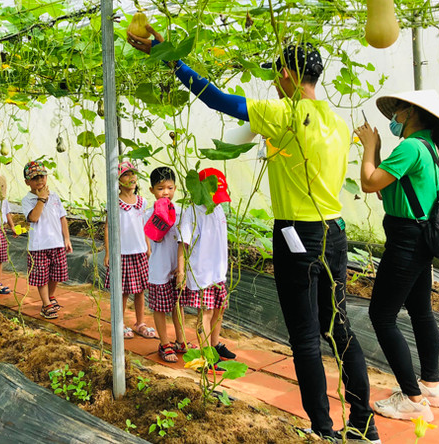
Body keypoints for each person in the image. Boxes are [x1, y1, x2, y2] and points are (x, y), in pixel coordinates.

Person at [127, 30, 379, 442]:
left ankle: (322, 429)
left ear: (286, 73)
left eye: (277, 73)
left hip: (296, 232)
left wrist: (169, 57)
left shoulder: (284, 112)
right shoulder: (338, 119)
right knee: (340, 329)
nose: (275, 81)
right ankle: (364, 426)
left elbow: (216, 99)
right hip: (334, 233)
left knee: (304, 336)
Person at [355, 90, 439, 423]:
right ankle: (431, 385)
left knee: (381, 316)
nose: (393, 117)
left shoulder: (410, 147)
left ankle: (412, 400)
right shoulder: (427, 147)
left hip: (406, 242)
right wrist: (379, 151)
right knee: (419, 310)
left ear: (411, 112)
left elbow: (370, 184)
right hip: (420, 238)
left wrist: (369, 148)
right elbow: (387, 186)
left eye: (398, 111)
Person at [177, 168, 235, 368]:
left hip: (218, 271)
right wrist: (181, 271)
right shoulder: (192, 212)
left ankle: (215, 344)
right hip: (202, 272)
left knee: (219, 309)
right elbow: (183, 243)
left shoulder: (217, 208)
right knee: (206, 313)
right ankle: (205, 354)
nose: (219, 200)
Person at [145, 167, 193, 362]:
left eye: (170, 187)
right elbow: (154, 239)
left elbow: (185, 241)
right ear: (151, 190)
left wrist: (183, 268)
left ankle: (181, 341)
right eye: (160, 188)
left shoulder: (182, 213)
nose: (165, 192)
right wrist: (162, 213)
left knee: (178, 305)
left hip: (176, 269)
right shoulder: (148, 213)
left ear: (176, 188)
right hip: (158, 269)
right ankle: (164, 343)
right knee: (160, 308)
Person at [103, 161, 154, 339]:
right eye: (125, 174)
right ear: (118, 180)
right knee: (123, 292)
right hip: (122, 254)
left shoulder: (142, 202)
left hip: (139, 252)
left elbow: (145, 226)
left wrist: (148, 248)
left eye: (133, 174)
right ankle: (119, 324)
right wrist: (109, 253)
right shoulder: (114, 202)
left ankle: (140, 323)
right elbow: (108, 228)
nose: (131, 178)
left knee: (140, 291)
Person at [21, 161, 72, 319]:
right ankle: (46, 304)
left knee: (56, 274)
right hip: (38, 246)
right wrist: (41, 199)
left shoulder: (55, 197)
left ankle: (50, 296)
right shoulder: (27, 200)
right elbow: (34, 218)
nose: (39, 180)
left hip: (56, 243)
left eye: (42, 176)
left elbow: (62, 218)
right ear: (27, 182)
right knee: (41, 276)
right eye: (35, 178)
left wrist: (67, 239)